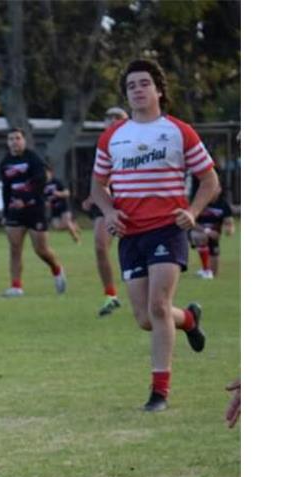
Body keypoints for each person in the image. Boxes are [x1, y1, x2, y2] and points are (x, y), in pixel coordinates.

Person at [90, 58, 217, 412]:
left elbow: (211, 180)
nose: (138, 90)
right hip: (131, 235)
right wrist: (110, 211)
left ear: (159, 90)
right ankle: (189, 319)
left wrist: (191, 213)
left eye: (144, 83)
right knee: (146, 318)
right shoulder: (113, 136)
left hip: (168, 229)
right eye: (131, 86)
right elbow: (97, 186)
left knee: (159, 306)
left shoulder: (178, 131)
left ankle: (159, 392)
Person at [0, 128, 66, 297]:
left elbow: (40, 181)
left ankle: (57, 269)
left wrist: (26, 199)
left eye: (18, 138)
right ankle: (16, 286)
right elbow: (6, 189)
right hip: (15, 211)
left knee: (41, 250)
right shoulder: (5, 162)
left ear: (24, 140)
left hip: (35, 209)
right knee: (15, 248)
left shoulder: (32, 158)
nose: (15, 141)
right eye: (11, 139)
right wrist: (5, 212)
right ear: (8, 142)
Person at [81, 106, 129, 316]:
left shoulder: (138, 140)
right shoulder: (101, 144)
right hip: (108, 202)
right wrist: (94, 194)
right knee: (101, 246)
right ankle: (111, 295)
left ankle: (149, 293)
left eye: (117, 117)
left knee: (137, 247)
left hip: (133, 200)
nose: (112, 121)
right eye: (108, 118)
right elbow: (97, 176)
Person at [190, 184, 235, 279]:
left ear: (219, 190)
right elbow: (191, 222)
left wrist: (229, 229)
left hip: (214, 236)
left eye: (216, 188)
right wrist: (207, 231)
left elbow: (229, 222)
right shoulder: (199, 202)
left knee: (215, 272)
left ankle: (205, 269)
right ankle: (206, 270)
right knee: (200, 237)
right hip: (198, 231)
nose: (213, 191)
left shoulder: (223, 204)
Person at [44, 165, 82, 243]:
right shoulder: (42, 185)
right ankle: (74, 226)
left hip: (64, 206)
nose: (44, 175)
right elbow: (43, 197)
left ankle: (77, 239)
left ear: (51, 173)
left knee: (66, 222)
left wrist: (58, 193)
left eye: (46, 173)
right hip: (54, 208)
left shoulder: (57, 181)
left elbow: (67, 193)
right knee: (57, 227)